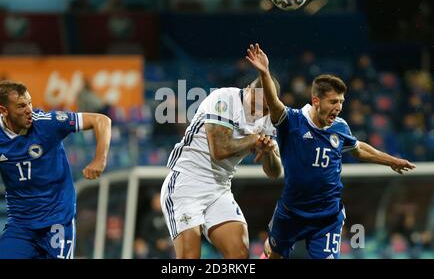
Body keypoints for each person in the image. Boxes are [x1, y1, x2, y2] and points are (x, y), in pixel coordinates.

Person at [245, 43, 416, 259]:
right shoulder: (293, 121)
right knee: (273, 256)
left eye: (342, 102)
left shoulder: (340, 127)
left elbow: (358, 149)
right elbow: (274, 103)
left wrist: (392, 160)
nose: (339, 107)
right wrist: (264, 72)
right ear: (316, 101)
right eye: (334, 101)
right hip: (291, 212)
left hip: (327, 217)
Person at [0, 80, 111, 259]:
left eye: (29, 102)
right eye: (21, 106)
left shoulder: (47, 124)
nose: (29, 109)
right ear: (4, 110)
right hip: (21, 226)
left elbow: (101, 120)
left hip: (57, 221)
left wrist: (100, 159)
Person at [160, 77, 283, 259]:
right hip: (186, 182)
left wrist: (268, 151)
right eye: (256, 105)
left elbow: (274, 173)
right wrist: (254, 139)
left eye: (266, 109)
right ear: (248, 89)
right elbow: (219, 150)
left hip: (219, 189)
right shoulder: (224, 99)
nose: (259, 113)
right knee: (189, 257)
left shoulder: (269, 119)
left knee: (239, 254)